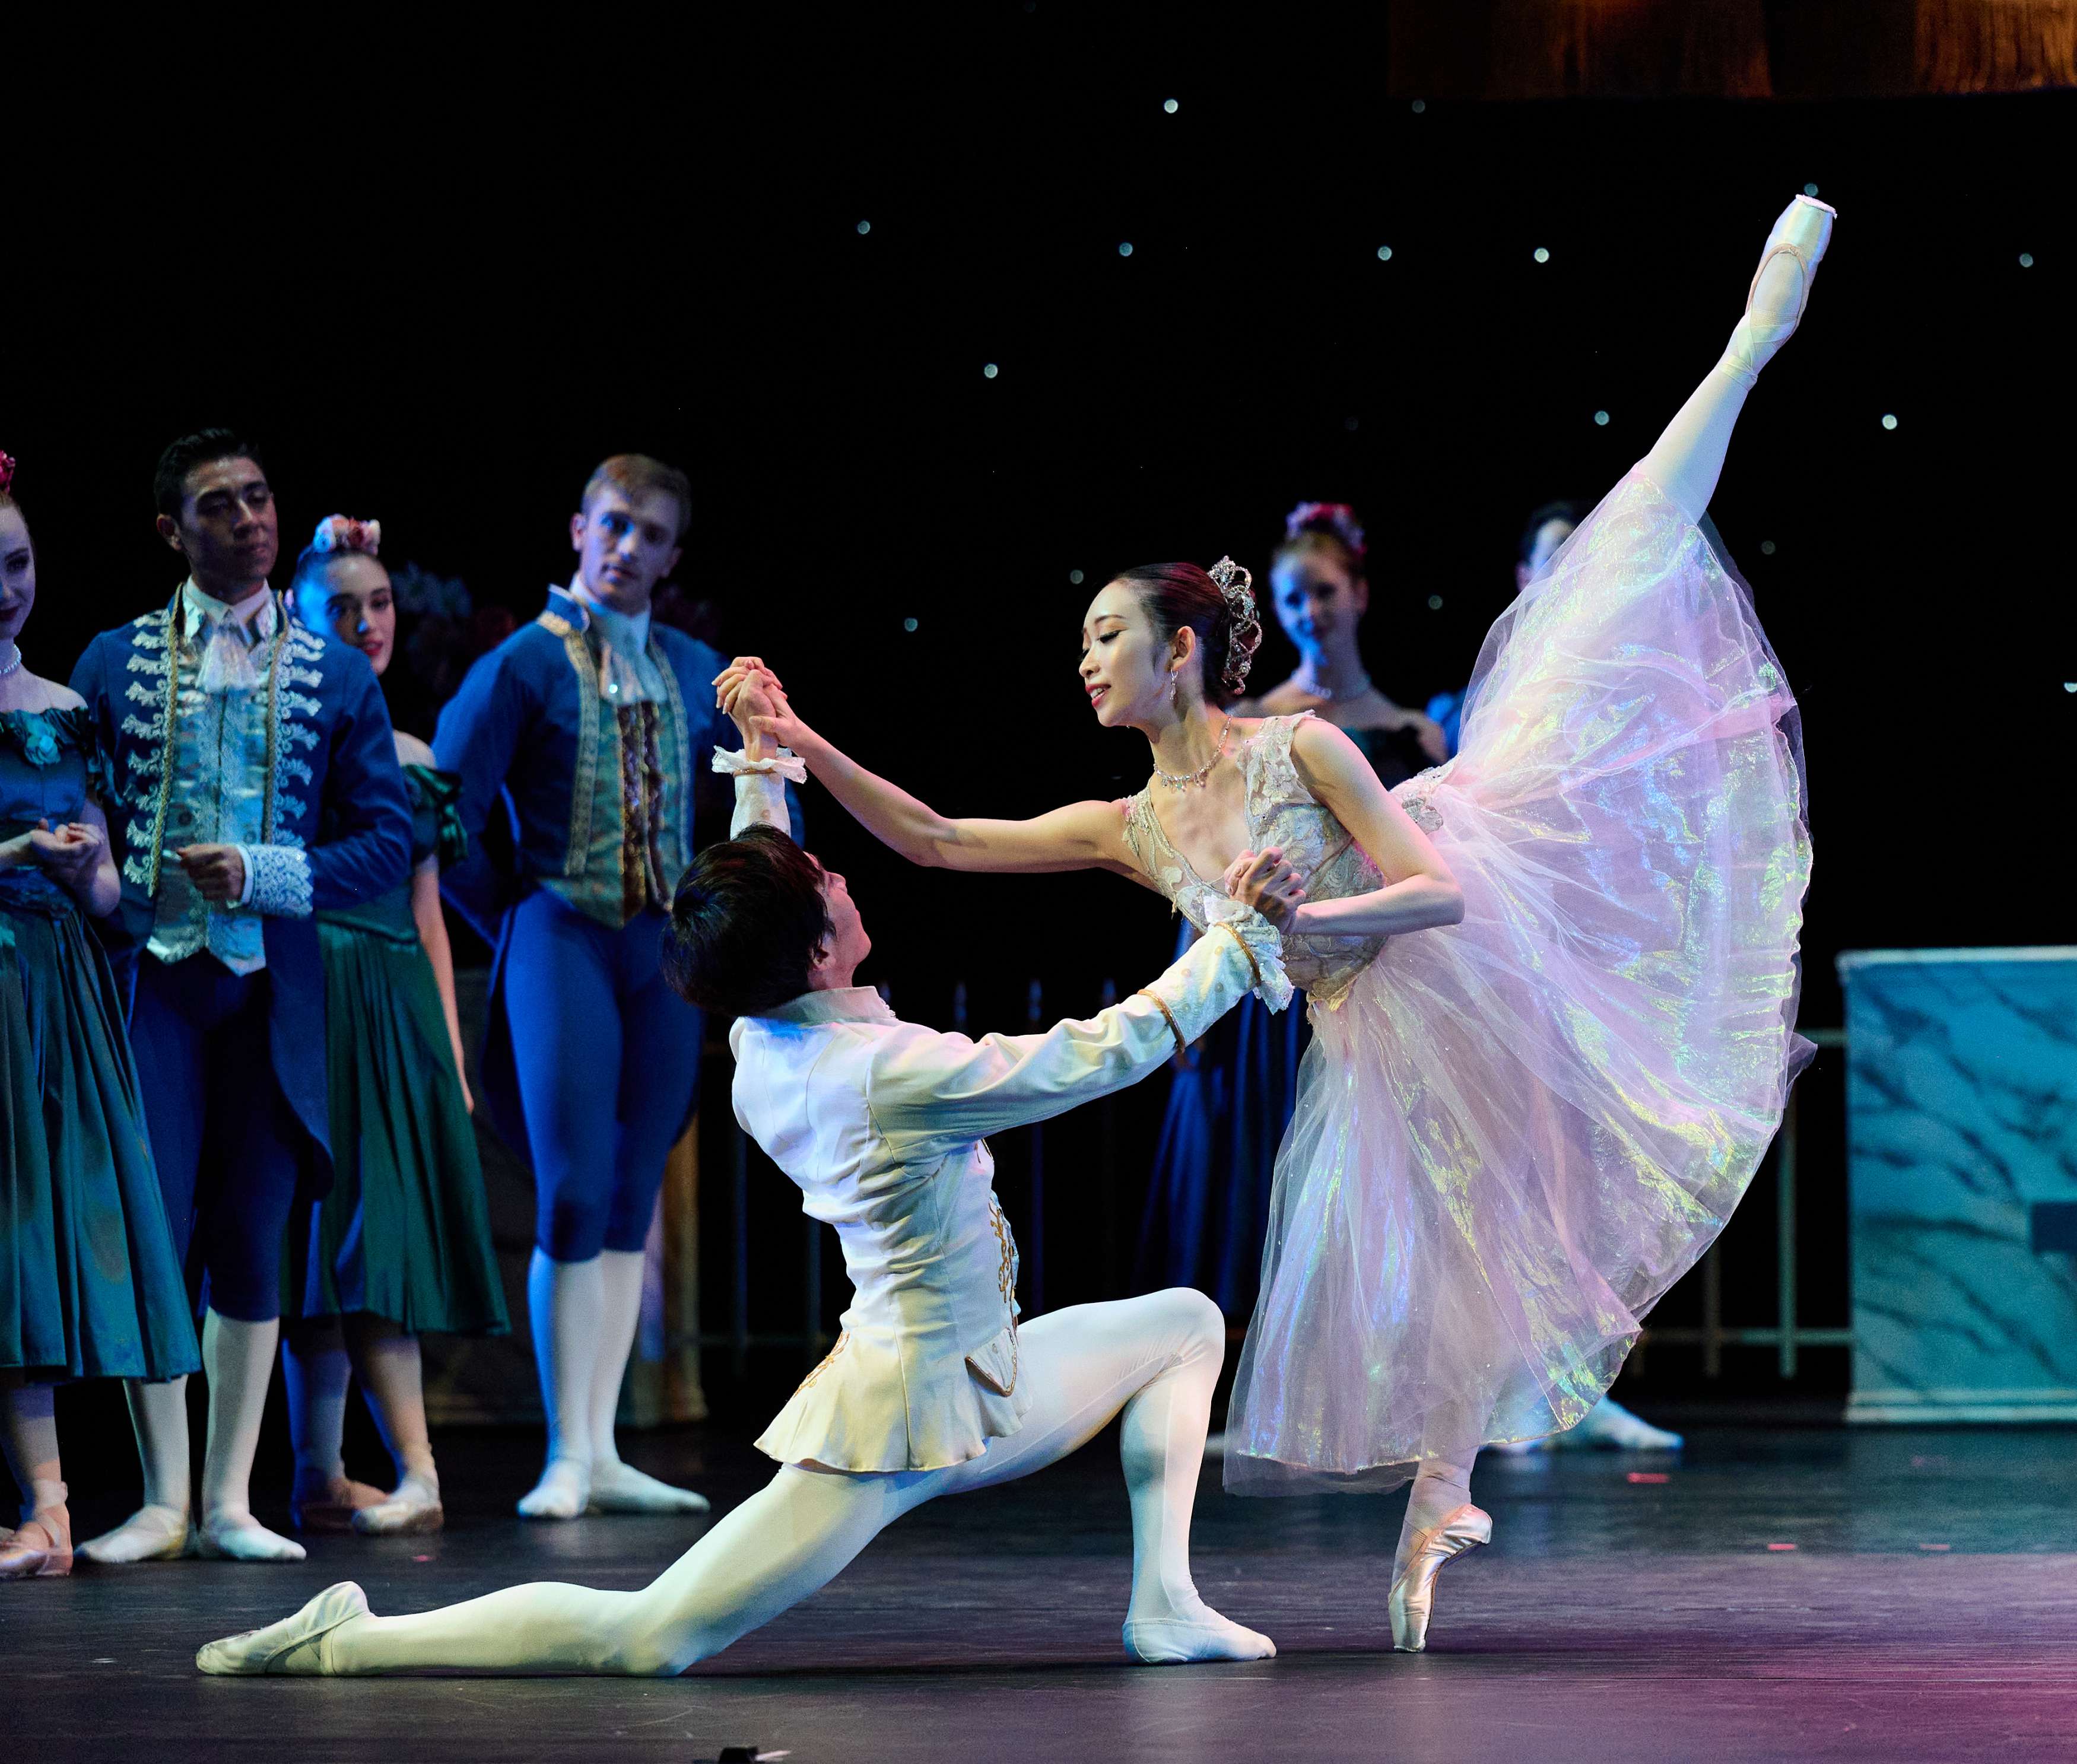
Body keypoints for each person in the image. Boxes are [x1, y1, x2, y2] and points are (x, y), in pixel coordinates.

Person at [712, 193, 1829, 1651]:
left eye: (1108, 636)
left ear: (1181, 654)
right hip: (1362, 1019)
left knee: (1601, 599)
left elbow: (1449, 888)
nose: (1086, 662)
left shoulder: (1299, 747)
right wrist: (796, 744)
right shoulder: (1131, 825)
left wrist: (1320, 913)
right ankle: (1444, 1490)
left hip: (1461, 946)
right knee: (1442, 1246)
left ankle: (1751, 337)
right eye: (1081, 644)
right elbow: (932, 837)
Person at [194, 707, 1296, 1676]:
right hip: (903, 1415)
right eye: (828, 885)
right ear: (820, 950)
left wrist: (761, 766)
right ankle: (350, 1638)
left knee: (1187, 1324)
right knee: (648, 1633)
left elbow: (750, 896)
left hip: (985, 1384)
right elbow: (1092, 1054)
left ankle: (1164, 1605)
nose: (845, 875)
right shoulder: (883, 1077)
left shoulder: (763, 1027)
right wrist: (1232, 946)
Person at [69, 431, 414, 1564]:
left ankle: (228, 1501)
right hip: (156, 982)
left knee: (256, 1242)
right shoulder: (113, 663)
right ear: (174, 530)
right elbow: (78, 802)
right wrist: (99, 870)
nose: (251, 520)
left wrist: (266, 874)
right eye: (220, 505)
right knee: (153, 1233)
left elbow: (385, 839)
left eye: (261, 497)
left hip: (272, 991)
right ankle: (163, 1500)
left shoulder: (337, 672)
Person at [434, 454, 794, 1520]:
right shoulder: (524, 664)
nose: (628, 547)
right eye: (614, 525)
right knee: (575, 1187)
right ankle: (565, 1449)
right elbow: (443, 806)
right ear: (580, 528)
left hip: (662, 952)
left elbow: (759, 796)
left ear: (674, 555)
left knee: (634, 1187)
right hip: (563, 928)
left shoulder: (694, 669)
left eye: (650, 534)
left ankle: (605, 1445)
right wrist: (509, 904)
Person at [278, 516, 509, 1537]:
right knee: (312, 1246)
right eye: (341, 605)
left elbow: (426, 907)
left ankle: (416, 1469)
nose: (366, 622)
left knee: (377, 1244)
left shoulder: (408, 750)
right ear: (296, 613)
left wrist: (450, 1056)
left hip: (392, 998)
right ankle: (320, 1471)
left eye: (379, 603)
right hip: (307, 984)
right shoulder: (287, 729)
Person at [0, 451, 201, 1581]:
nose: (7, 589)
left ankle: (51, 1509)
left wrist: (82, 876)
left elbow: (116, 891)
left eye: (19, 564)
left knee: (38, 1232)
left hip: (52, 990)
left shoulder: (67, 711)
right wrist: (16, 849)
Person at [1424, 501, 1581, 758]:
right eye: (1558, 555)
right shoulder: (1469, 707)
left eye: (1582, 555)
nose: (1571, 568)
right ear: (1524, 577)